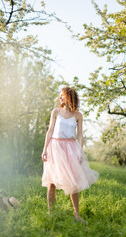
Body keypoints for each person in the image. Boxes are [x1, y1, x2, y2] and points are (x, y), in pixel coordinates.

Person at [41, 87, 99, 220]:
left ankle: (77, 215)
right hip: (55, 147)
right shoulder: (56, 112)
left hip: (70, 148)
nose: (60, 98)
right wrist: (44, 149)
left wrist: (80, 151)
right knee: (51, 182)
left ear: (69, 97)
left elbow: (80, 135)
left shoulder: (78, 115)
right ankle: (50, 213)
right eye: (60, 96)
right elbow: (50, 131)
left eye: (62, 96)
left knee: (73, 183)